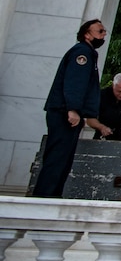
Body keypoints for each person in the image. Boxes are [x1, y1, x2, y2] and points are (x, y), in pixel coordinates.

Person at [32, 19, 107, 197]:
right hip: (64, 113)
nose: (104, 34)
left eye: (104, 31)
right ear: (87, 34)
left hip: (67, 113)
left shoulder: (88, 53)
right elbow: (74, 83)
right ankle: (44, 197)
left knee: (63, 158)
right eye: (100, 31)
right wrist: (73, 110)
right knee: (57, 158)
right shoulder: (82, 52)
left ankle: (52, 195)